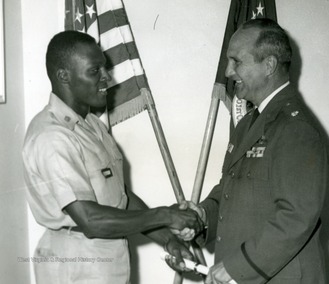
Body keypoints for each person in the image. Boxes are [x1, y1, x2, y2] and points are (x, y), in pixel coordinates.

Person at [22, 30, 203, 284]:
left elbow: (120, 199)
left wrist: (169, 240)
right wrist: (165, 215)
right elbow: (91, 219)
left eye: (104, 68)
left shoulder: (91, 125)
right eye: (94, 71)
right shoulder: (52, 136)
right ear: (64, 76)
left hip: (106, 254)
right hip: (75, 261)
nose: (107, 77)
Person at [178, 18, 329, 283]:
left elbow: (296, 216)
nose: (227, 72)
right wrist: (202, 216)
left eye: (237, 61)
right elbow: (231, 189)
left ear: (268, 65)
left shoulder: (295, 127)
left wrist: (238, 267)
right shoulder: (249, 122)